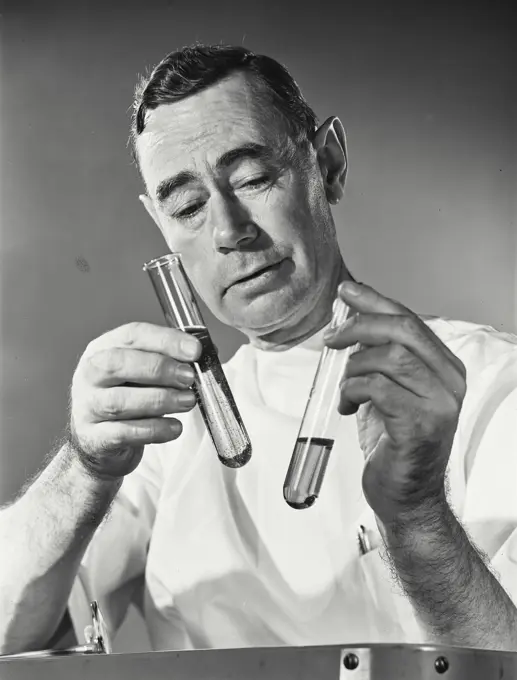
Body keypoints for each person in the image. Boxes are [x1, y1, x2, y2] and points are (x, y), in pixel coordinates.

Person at [0, 44, 516, 656]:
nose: (228, 231)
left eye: (252, 178)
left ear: (327, 162)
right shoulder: (171, 427)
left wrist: (418, 516)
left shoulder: (487, 382)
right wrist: (83, 469)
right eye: (187, 206)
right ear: (158, 222)